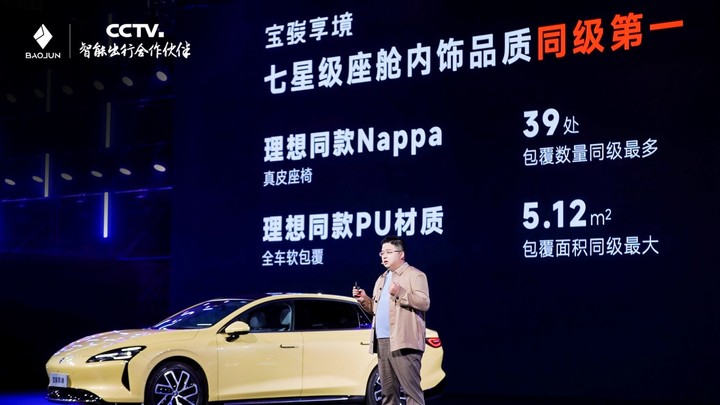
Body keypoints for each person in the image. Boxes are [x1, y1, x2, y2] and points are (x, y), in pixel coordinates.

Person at [353, 235, 430, 405]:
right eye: (382, 253)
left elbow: (424, 303)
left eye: (389, 252)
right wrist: (364, 300)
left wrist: (400, 292)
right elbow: (376, 309)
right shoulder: (382, 278)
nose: (384, 256)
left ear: (401, 254)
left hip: (404, 342)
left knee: (412, 393)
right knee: (388, 393)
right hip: (383, 341)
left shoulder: (415, 275)